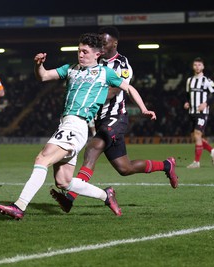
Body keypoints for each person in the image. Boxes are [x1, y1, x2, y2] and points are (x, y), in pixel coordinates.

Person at [0, 32, 156, 220]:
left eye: (85, 51)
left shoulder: (105, 73)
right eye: (79, 51)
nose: (81, 55)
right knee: (63, 181)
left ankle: (19, 206)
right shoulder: (71, 68)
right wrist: (39, 65)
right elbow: (43, 76)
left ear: (97, 54)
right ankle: (106, 195)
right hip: (66, 124)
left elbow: (129, 88)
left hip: (77, 125)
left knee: (42, 159)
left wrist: (143, 109)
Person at [50, 26, 179, 213]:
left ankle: (70, 197)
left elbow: (114, 91)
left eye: (105, 41)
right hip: (101, 120)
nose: (101, 44)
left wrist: (89, 95)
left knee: (93, 148)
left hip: (116, 118)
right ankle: (167, 165)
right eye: (100, 41)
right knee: (124, 168)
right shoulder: (96, 61)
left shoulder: (122, 64)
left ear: (115, 43)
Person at [184, 57, 214, 168]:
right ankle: (212, 150)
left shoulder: (207, 81)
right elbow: (187, 95)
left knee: (198, 134)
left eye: (199, 65)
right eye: (195, 65)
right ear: (193, 67)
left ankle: (196, 162)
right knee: (194, 136)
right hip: (192, 112)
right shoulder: (189, 80)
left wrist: (206, 103)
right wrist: (187, 102)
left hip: (202, 112)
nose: (197, 67)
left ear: (203, 67)